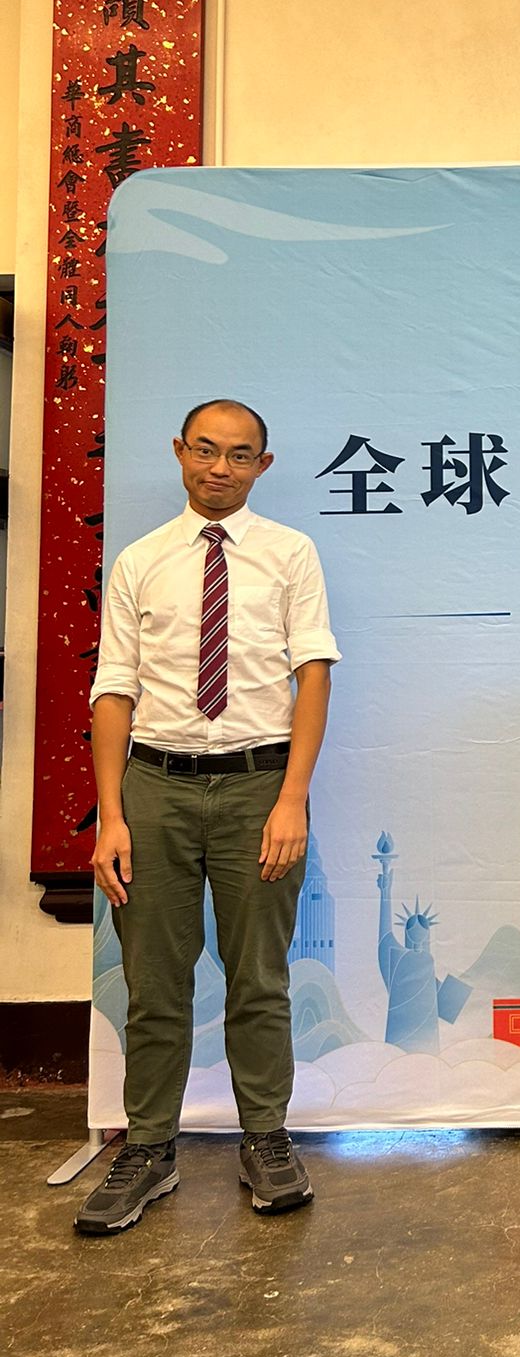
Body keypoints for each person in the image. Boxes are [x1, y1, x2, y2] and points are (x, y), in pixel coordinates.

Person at [76, 399, 340, 1235]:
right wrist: (111, 816)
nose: (219, 467)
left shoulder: (290, 554)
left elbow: (313, 676)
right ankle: (149, 1149)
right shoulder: (141, 561)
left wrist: (291, 798)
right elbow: (113, 691)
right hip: (153, 787)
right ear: (180, 452)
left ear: (263, 464)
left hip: (260, 786)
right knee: (154, 981)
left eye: (239, 454)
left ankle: (266, 1138)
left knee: (259, 976)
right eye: (205, 450)